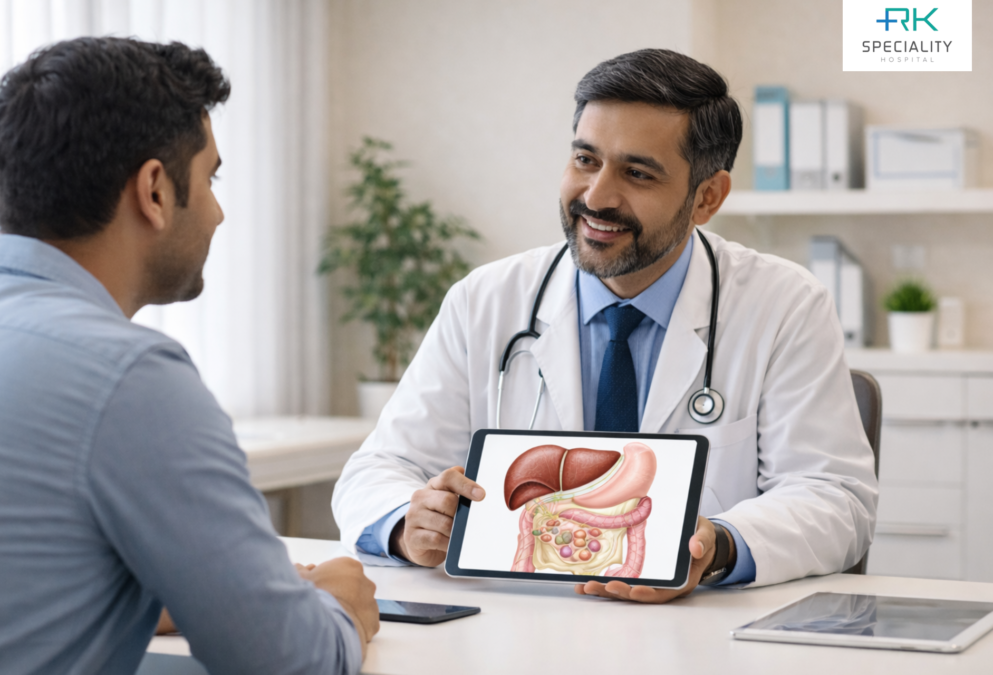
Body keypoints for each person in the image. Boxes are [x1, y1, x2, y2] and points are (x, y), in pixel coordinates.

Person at [332, 48, 878, 602]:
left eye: (637, 173)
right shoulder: (486, 299)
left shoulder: (783, 304)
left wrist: (722, 547)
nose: (596, 197)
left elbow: (835, 497)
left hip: (696, 635)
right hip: (515, 629)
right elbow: (379, 468)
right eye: (586, 161)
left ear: (707, 197)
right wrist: (407, 523)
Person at [0, 37, 377, 674]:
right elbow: (293, 662)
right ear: (154, 191)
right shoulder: (129, 376)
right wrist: (338, 602)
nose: (217, 212)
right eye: (210, 179)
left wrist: (146, 595)